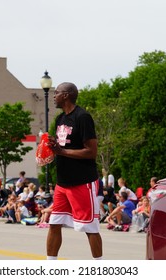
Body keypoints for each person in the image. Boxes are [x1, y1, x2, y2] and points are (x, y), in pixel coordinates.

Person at [46, 82, 102, 260]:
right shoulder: (60, 119)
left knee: (90, 227)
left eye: (57, 93)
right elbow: (62, 147)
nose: (54, 96)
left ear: (67, 95)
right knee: (54, 224)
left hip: (82, 181)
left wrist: (62, 151)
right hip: (63, 182)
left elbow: (91, 151)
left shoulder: (83, 117)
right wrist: (50, 150)